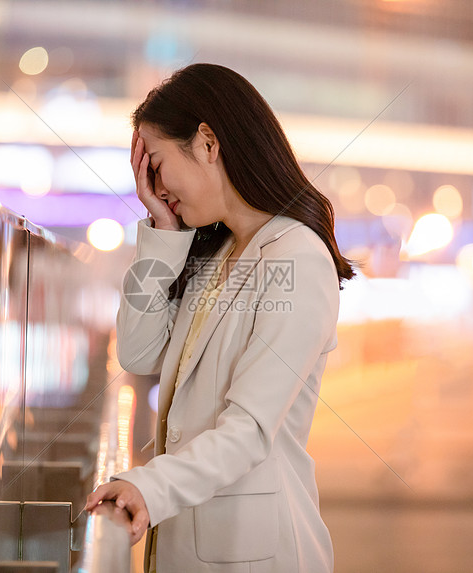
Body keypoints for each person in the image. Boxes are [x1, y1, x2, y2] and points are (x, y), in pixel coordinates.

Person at [85, 63, 354, 573]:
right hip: (199, 545)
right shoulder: (214, 253)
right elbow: (138, 352)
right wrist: (162, 228)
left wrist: (150, 485)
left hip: (253, 555)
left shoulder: (295, 258)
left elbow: (250, 427)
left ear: (208, 142)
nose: (153, 185)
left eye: (156, 164)